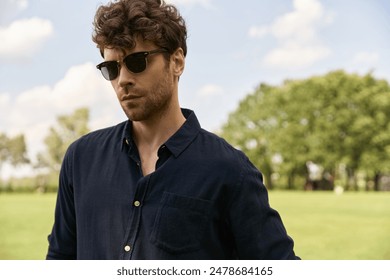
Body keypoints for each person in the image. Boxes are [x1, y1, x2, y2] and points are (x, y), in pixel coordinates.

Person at [46, 0, 299, 260]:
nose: (123, 80)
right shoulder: (81, 159)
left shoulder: (230, 171)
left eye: (137, 62)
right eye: (111, 68)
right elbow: (59, 260)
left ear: (177, 61)